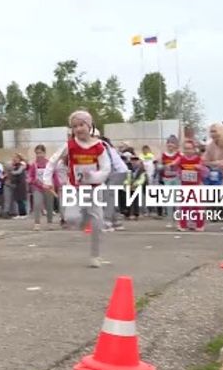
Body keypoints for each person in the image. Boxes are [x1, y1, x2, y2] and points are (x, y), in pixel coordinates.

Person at [43, 109, 112, 268]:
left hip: (94, 190)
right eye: (75, 126)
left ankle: (95, 255)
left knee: (97, 224)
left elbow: (106, 169)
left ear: (89, 126)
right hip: (74, 189)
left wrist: (93, 177)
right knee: (71, 218)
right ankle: (85, 221)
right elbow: (52, 161)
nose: (78, 129)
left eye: (81, 125)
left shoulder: (99, 147)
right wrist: (47, 180)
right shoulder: (70, 145)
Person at [177, 138, 208, 232]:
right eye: (186, 148)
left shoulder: (199, 159)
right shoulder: (181, 159)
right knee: (184, 206)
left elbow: (206, 172)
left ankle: (199, 224)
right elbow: (177, 169)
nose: (188, 151)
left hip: (196, 185)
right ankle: (183, 224)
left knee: (197, 206)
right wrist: (179, 173)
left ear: (194, 149)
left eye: (190, 148)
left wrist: (200, 168)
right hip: (185, 185)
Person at [28, 145, 56, 230]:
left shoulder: (49, 164)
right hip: (37, 188)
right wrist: (34, 182)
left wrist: (55, 185)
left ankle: (50, 222)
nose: (38, 155)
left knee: (49, 206)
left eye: (40, 153)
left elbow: (54, 176)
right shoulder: (34, 165)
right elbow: (30, 177)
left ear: (44, 153)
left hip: (48, 188)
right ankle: (37, 223)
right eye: (37, 153)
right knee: (37, 204)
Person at [123, 156, 148, 220]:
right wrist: (127, 184)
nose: (134, 162)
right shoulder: (128, 169)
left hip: (137, 187)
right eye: (132, 160)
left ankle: (136, 214)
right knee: (127, 200)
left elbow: (142, 179)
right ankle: (128, 214)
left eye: (135, 160)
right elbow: (126, 178)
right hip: (129, 187)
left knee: (136, 201)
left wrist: (135, 184)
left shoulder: (142, 170)